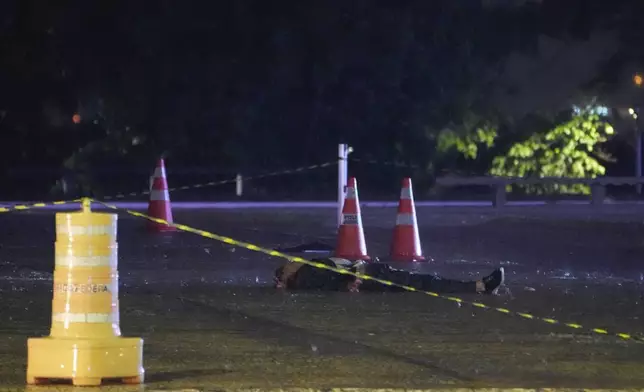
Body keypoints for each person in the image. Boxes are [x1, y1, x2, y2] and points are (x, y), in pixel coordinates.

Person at [274, 257, 505, 294]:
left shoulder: (307, 272)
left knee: (422, 282)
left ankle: (478, 286)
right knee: (424, 282)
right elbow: (332, 279)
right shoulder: (306, 272)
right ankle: (479, 286)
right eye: (287, 265)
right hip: (369, 276)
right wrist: (355, 277)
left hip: (366, 274)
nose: (291, 261)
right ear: (287, 273)